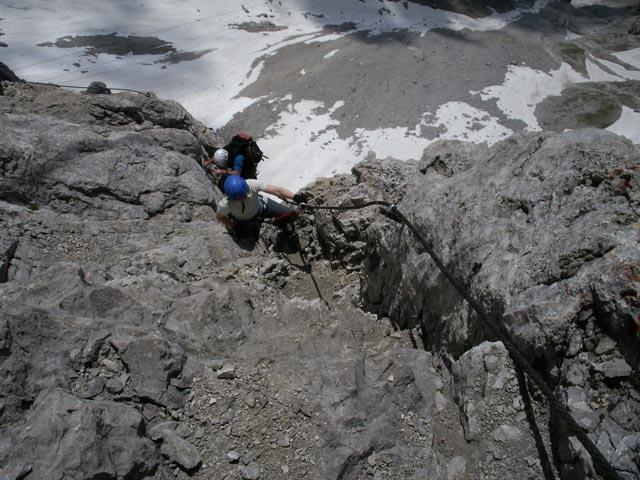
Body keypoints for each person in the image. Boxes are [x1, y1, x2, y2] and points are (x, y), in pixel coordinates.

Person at [215, 175, 306, 242]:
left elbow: (277, 191)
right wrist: (234, 227)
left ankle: (283, 228)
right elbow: (220, 217)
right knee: (250, 240)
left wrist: (295, 197)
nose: (242, 199)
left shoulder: (251, 184)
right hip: (245, 220)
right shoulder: (225, 204)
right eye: (238, 199)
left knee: (290, 214)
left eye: (244, 195)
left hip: (261, 207)